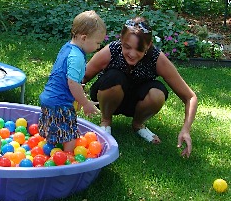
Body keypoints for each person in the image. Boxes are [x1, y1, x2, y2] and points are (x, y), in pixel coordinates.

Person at [82, 16, 197, 158]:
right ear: (121, 41)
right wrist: (75, 97)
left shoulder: (156, 58)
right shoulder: (112, 50)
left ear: (148, 46)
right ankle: (106, 122)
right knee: (114, 77)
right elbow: (83, 77)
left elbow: (190, 97)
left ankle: (138, 124)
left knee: (157, 92)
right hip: (107, 96)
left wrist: (186, 129)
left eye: (139, 49)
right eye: (127, 46)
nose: (131, 54)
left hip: (136, 102)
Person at [38, 10, 107, 152]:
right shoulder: (77, 57)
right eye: (97, 43)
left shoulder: (67, 47)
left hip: (48, 98)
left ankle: (49, 150)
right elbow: (72, 83)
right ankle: (68, 159)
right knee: (70, 134)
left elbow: (63, 75)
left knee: (53, 127)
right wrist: (85, 103)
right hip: (60, 102)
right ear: (84, 38)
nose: (98, 47)